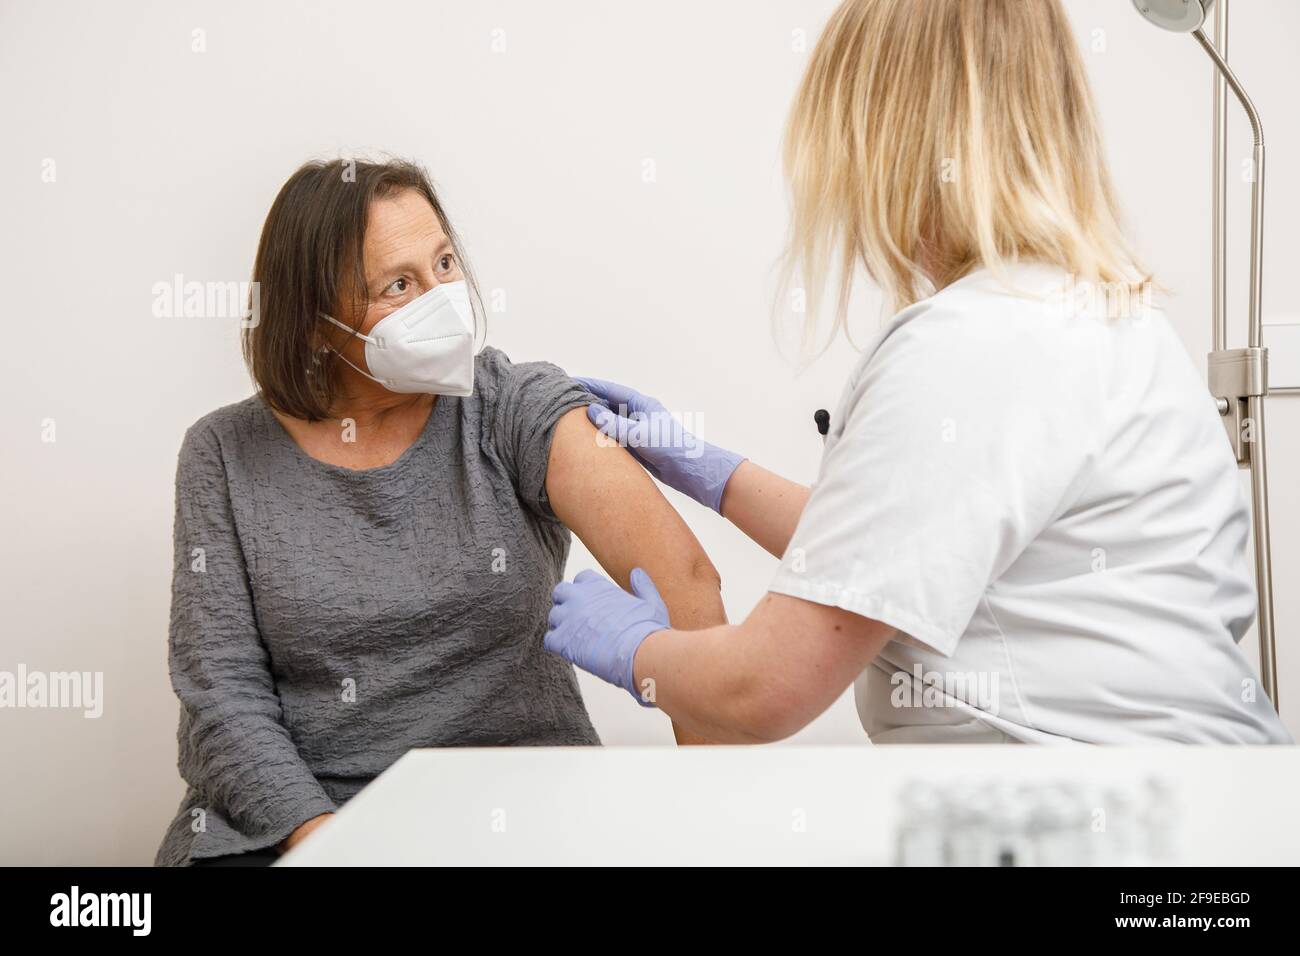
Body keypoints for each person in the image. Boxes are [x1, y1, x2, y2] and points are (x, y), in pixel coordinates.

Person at [543, 0, 1291, 746]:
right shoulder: (1104, 317)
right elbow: (896, 550)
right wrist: (716, 473)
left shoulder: (969, 346)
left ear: (892, 138)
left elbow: (763, 688)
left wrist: (636, 650)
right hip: (1184, 796)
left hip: (1085, 813)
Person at [156, 159, 724, 866]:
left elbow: (687, 584)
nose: (442, 300)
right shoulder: (224, 454)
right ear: (313, 325)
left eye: (445, 264)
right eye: (400, 284)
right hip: (305, 821)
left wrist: (709, 823)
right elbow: (222, 701)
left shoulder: (515, 408)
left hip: (518, 814)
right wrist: (326, 845)